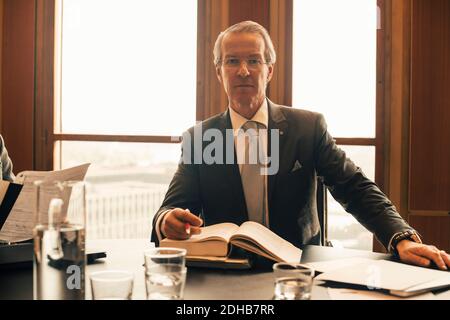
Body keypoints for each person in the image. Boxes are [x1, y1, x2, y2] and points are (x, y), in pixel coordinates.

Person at [151, 21, 450, 270]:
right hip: (225, 272)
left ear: (269, 70)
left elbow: (354, 188)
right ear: (219, 72)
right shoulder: (200, 137)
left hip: (300, 270)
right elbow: (173, 207)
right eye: (232, 61)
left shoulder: (308, 128)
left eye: (254, 60)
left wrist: (401, 238)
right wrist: (167, 221)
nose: (243, 70)